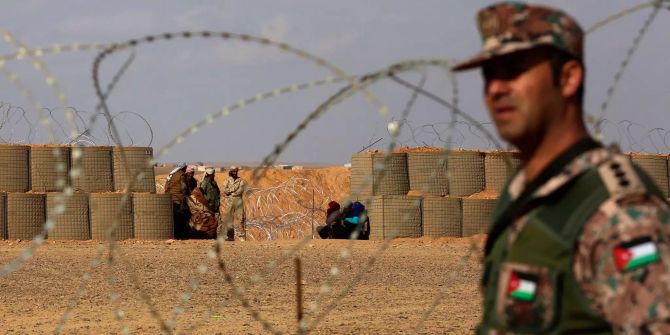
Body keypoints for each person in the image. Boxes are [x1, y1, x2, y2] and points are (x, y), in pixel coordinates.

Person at [453, 2, 670, 333]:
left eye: (514, 69)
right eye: (489, 75)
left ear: (568, 78)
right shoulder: (520, 195)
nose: (495, 88)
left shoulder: (620, 214)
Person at [186, 168, 220, 239]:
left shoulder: (212, 182)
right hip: (194, 201)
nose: (191, 174)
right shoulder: (204, 183)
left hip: (208, 204)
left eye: (193, 173)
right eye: (190, 173)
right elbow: (201, 195)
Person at [164, 162, 191, 239]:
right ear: (183, 168)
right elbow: (184, 187)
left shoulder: (171, 174)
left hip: (169, 199)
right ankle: (180, 235)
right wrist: (188, 194)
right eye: (185, 168)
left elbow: (166, 187)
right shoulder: (181, 174)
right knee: (181, 217)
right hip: (178, 199)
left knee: (173, 218)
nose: (185, 169)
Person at [221, 166, 247, 241]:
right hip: (229, 201)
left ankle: (242, 236)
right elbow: (225, 191)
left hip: (238, 201)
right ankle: (230, 236)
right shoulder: (227, 180)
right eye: (233, 171)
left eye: (236, 171)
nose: (235, 173)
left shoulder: (241, 180)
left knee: (241, 218)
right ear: (230, 172)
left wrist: (231, 192)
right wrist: (233, 190)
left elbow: (241, 190)